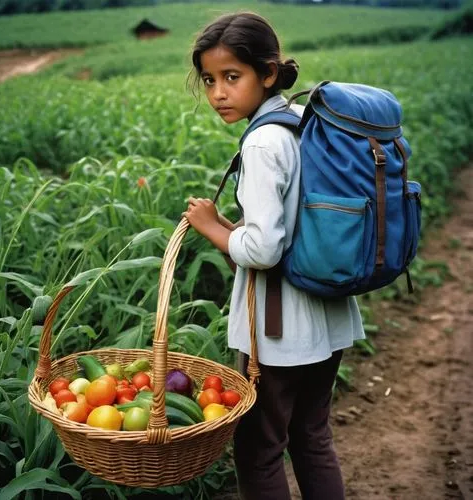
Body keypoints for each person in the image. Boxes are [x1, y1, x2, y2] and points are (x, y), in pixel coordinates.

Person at [182, 12, 365, 500]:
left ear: (267, 74)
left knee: (259, 451)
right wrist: (227, 228)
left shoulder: (263, 142)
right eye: (209, 80)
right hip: (327, 314)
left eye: (231, 77)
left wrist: (208, 229)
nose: (218, 92)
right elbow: (288, 226)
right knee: (312, 437)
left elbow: (262, 250)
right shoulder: (304, 122)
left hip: (279, 330)